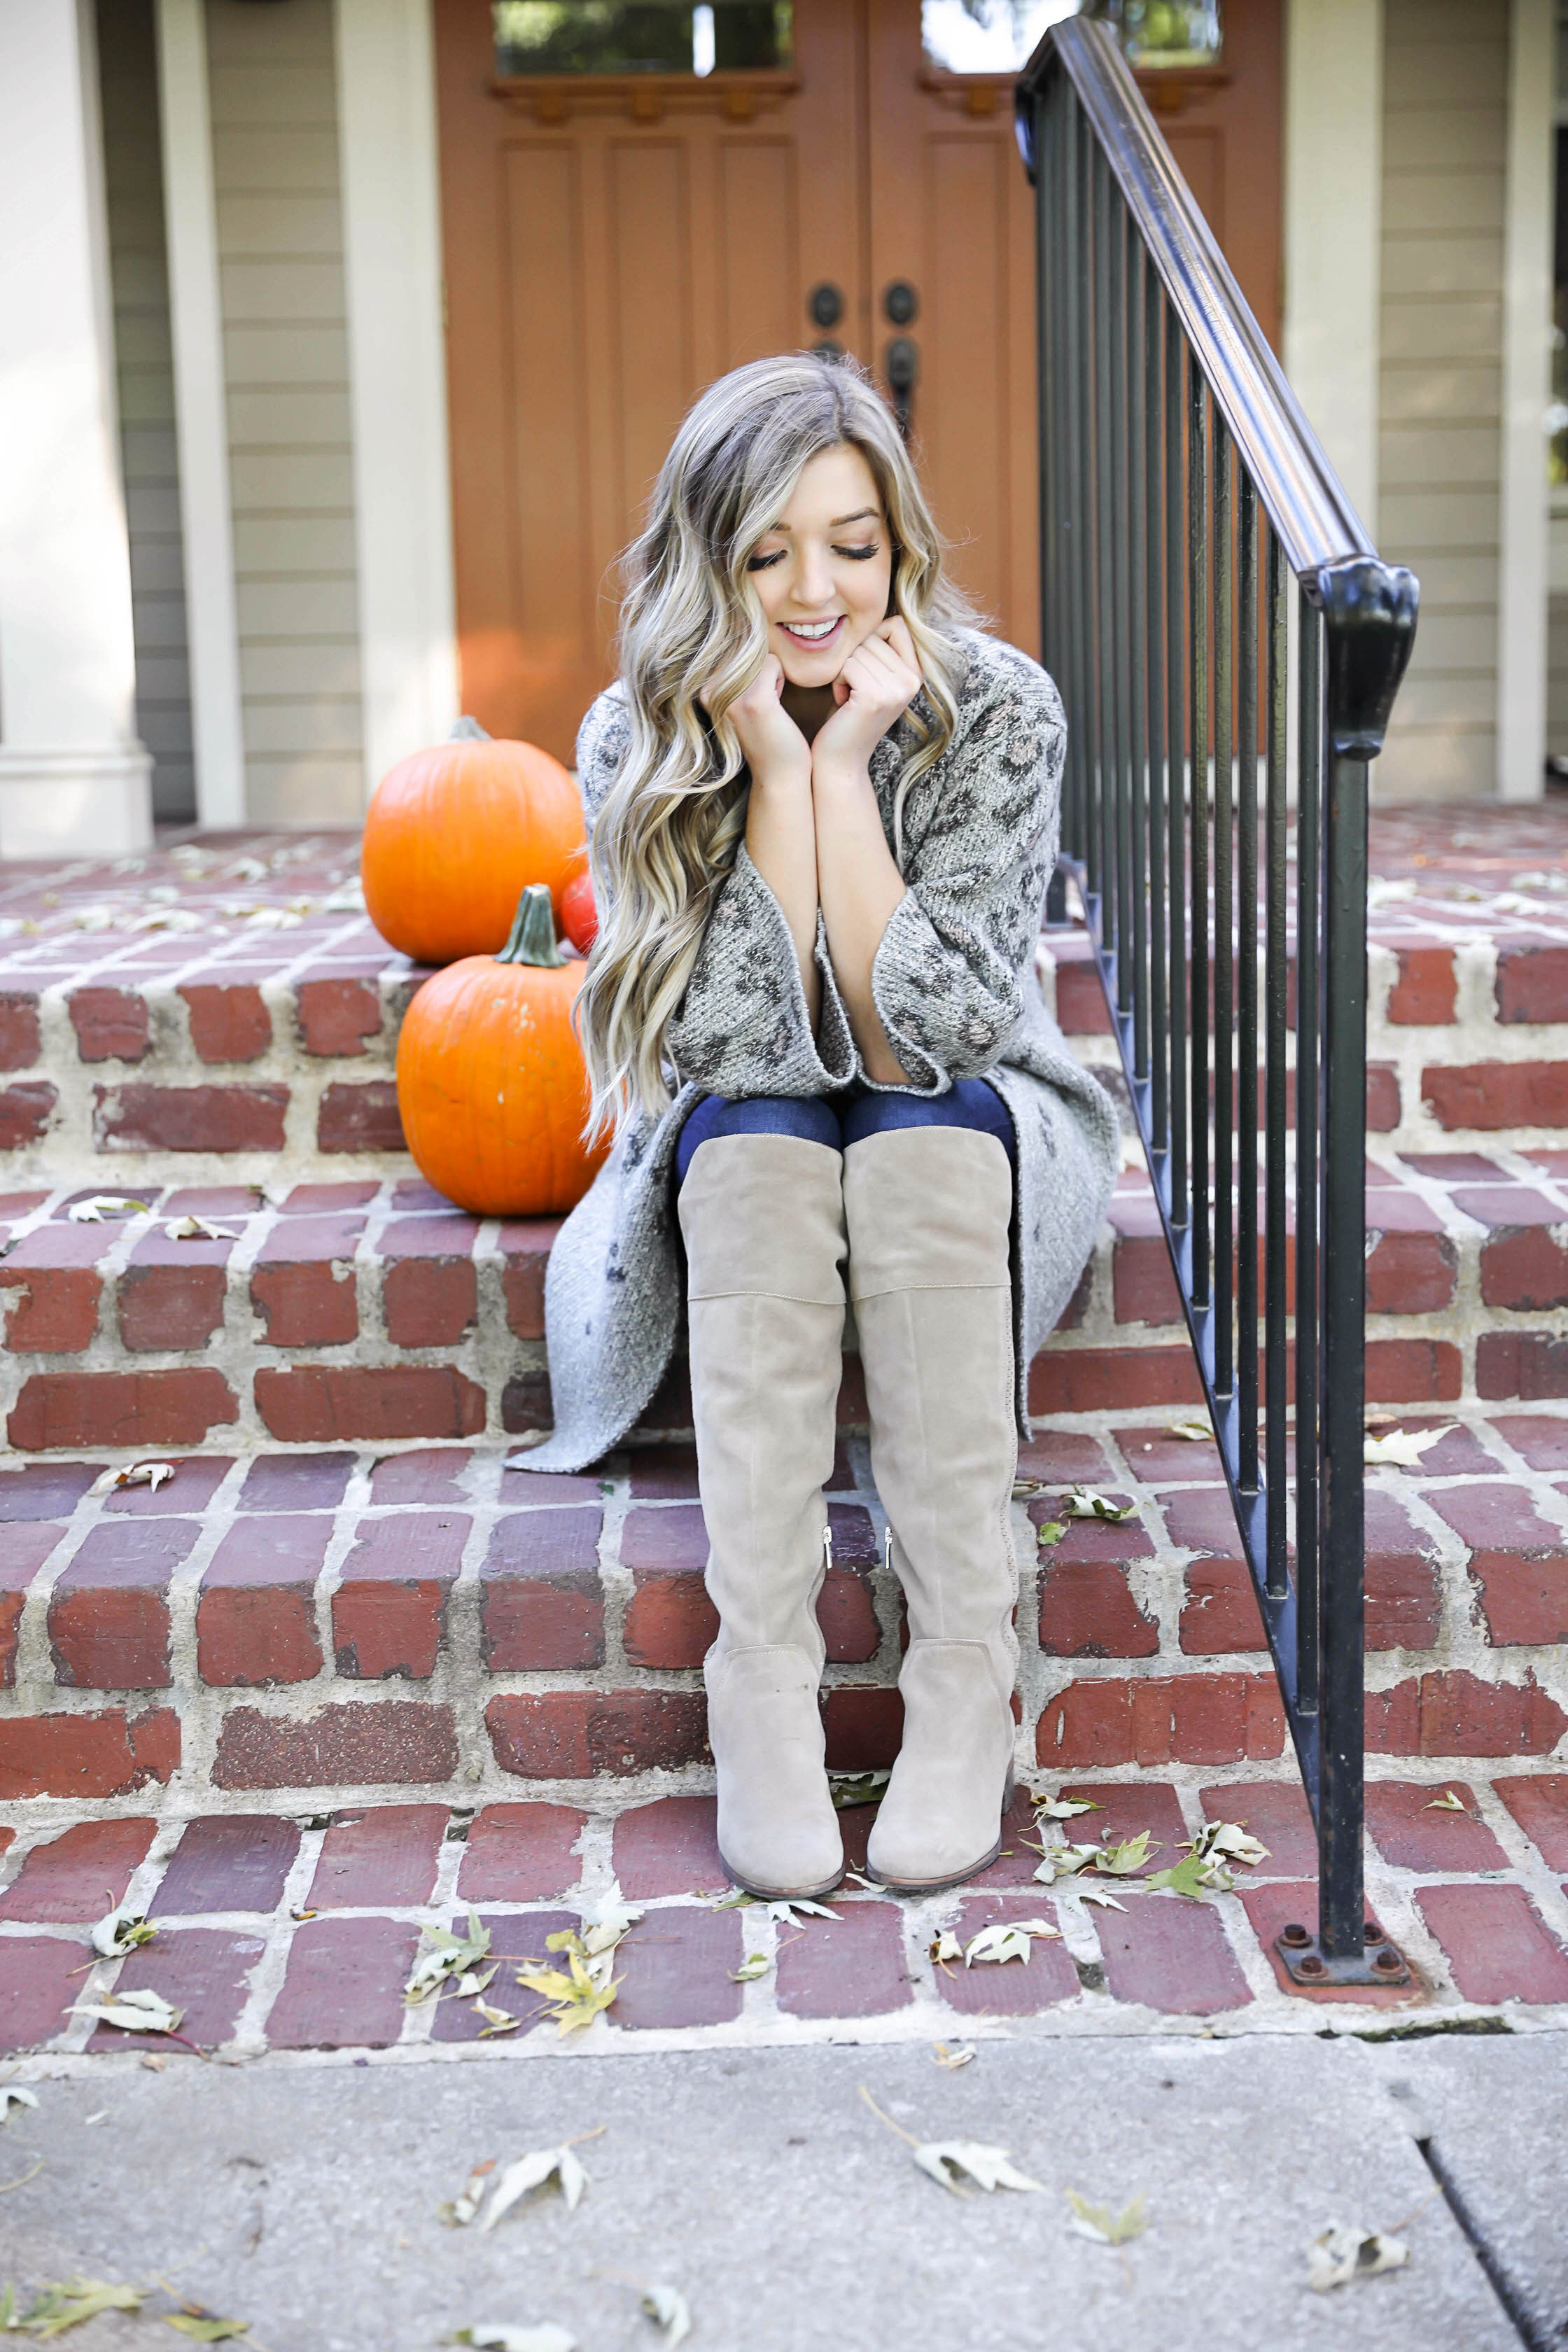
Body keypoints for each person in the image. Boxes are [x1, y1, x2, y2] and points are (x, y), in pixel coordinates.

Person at [519, 353, 1118, 1903]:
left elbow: (937, 1038)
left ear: (901, 546)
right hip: (752, 1121)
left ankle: (962, 1676)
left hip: (971, 1108)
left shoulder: (996, 711)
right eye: (767, 550)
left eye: (852, 543)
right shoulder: (633, 734)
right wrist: (771, 768)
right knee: (772, 1140)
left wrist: (847, 768)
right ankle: (763, 1682)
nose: (814, 589)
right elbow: (726, 1043)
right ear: (707, 558)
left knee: (912, 1137)